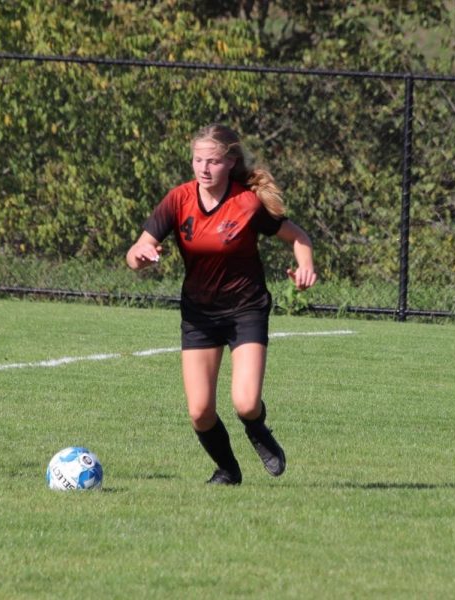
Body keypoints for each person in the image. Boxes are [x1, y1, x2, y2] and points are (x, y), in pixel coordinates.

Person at [126, 123, 317, 485]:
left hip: (246, 309)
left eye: (212, 161)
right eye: (198, 160)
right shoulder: (178, 199)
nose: (203, 168)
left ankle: (258, 430)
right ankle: (228, 470)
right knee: (200, 412)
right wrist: (142, 255)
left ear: (230, 162)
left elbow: (299, 237)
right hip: (199, 315)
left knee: (245, 403)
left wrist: (305, 267)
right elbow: (133, 254)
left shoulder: (247, 203)